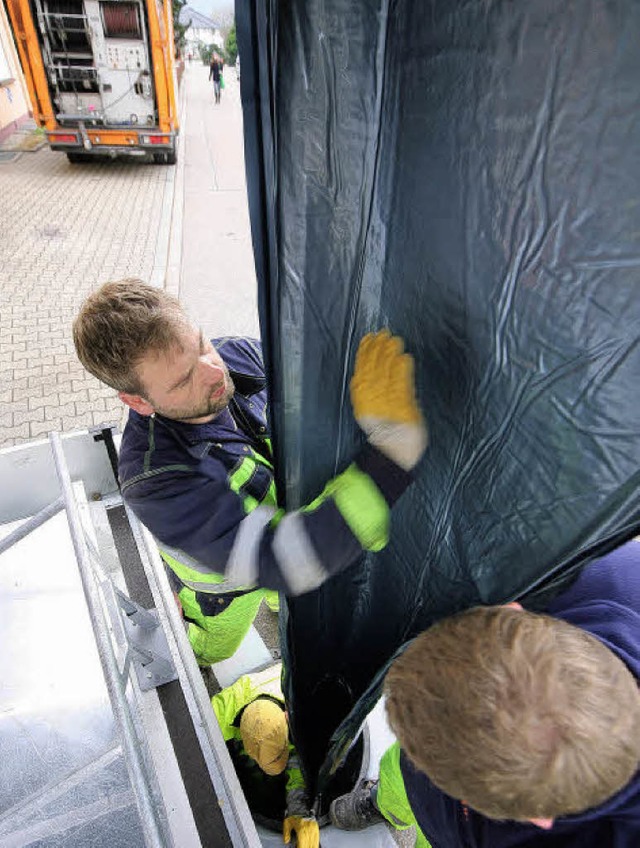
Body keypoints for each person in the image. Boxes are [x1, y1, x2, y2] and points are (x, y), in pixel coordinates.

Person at [73, 279, 427, 667]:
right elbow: (277, 560)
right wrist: (391, 457)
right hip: (224, 590)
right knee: (217, 648)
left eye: (201, 345)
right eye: (182, 380)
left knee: (285, 592)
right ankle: (194, 644)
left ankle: (278, 601)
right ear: (137, 402)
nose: (213, 372)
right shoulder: (156, 480)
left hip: (287, 532)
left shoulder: (237, 355)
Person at [330, 540, 640, 847]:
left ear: (540, 819)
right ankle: (384, 804)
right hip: (440, 787)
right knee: (400, 773)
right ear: (512, 611)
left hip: (449, 827)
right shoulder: (592, 556)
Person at [211, 667, 318, 848]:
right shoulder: (217, 715)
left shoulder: (305, 715)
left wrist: (299, 810)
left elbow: (302, 762)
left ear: (286, 718)